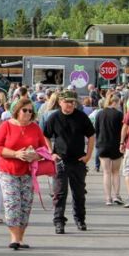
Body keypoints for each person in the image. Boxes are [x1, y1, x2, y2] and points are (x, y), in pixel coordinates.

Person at [0, 98, 46, 249]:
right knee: (12, 203)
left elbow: (44, 149)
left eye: (31, 111)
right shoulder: (6, 126)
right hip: (8, 171)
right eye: (25, 110)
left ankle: (20, 237)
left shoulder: (35, 128)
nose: (28, 113)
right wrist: (16, 154)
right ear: (17, 111)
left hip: (28, 172)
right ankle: (14, 237)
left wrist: (36, 155)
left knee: (25, 205)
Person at [43, 91, 95, 234]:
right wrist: (50, 153)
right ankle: (59, 221)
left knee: (79, 193)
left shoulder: (81, 116)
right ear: (60, 102)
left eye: (73, 102)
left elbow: (91, 135)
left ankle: (80, 219)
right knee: (59, 193)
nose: (71, 104)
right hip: (60, 161)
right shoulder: (54, 117)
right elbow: (45, 136)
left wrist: (88, 155)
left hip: (78, 161)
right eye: (67, 102)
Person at [95, 93, 124, 206]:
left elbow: (96, 129)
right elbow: (123, 130)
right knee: (116, 172)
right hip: (116, 145)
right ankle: (117, 195)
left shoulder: (100, 113)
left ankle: (108, 198)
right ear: (115, 102)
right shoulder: (119, 115)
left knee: (106, 172)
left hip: (102, 145)